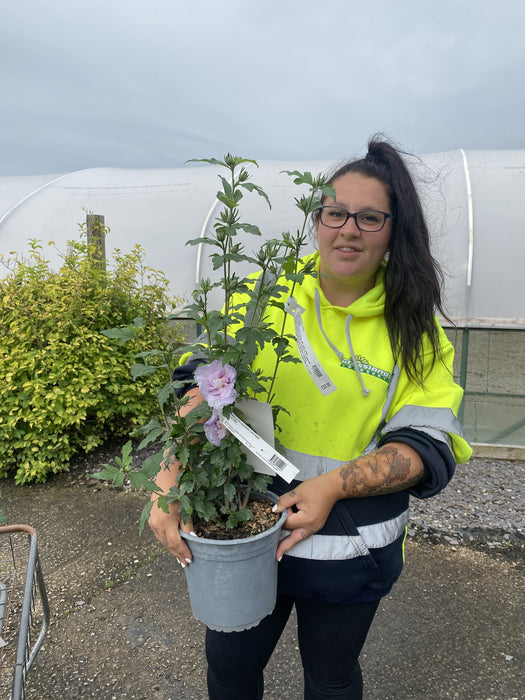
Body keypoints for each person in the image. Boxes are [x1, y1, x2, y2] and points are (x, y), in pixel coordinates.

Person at [149, 136, 472, 699]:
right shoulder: (261, 295)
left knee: (330, 677)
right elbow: (199, 384)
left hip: (349, 549)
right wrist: (170, 480)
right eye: (335, 212)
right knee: (231, 671)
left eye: (370, 218)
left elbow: (424, 446)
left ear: (395, 231)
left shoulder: (413, 332)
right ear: (316, 219)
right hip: (242, 530)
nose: (349, 229)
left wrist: (330, 486)